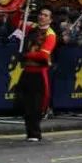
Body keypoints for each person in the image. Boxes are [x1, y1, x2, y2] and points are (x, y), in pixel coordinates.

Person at [18, 8, 57, 142]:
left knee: (36, 104)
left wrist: (27, 55)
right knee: (24, 102)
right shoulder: (31, 28)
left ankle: (35, 132)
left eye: (45, 15)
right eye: (40, 14)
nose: (42, 17)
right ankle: (29, 131)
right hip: (26, 71)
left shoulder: (50, 34)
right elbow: (16, 22)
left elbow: (43, 55)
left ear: (50, 19)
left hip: (39, 73)